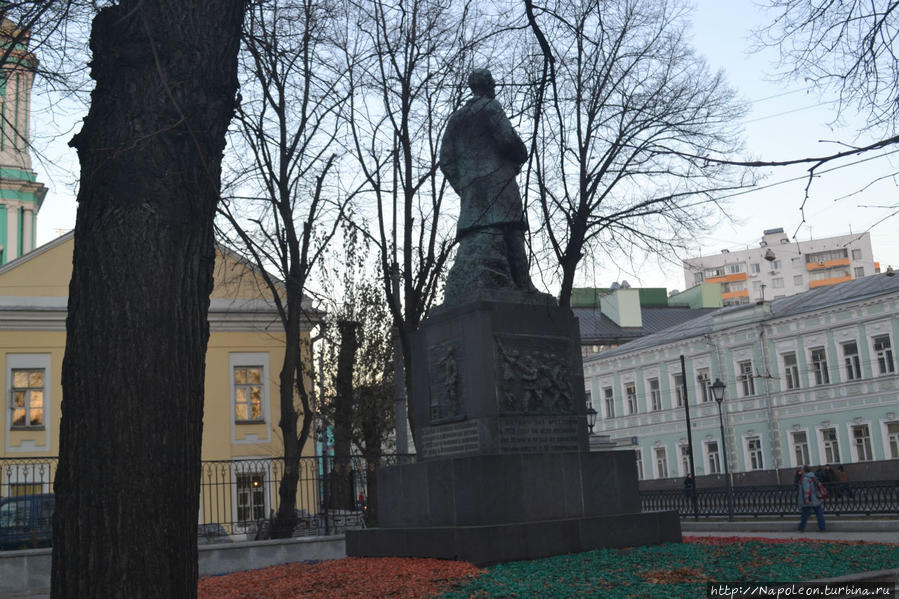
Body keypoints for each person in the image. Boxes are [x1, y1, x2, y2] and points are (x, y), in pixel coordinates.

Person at [439, 69, 540, 305]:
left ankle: (514, 284)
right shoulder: (491, 108)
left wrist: (464, 186)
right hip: (499, 182)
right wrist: (521, 152)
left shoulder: (456, 119)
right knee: (513, 229)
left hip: (473, 189)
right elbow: (507, 140)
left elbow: (446, 160)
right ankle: (524, 285)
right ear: (489, 86)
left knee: (478, 234)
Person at [797, 465, 826, 532]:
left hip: (809, 500)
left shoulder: (805, 479)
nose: (801, 471)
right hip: (816, 498)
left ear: (804, 470)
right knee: (819, 514)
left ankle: (801, 527)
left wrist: (806, 498)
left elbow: (806, 489)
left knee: (805, 514)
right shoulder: (813, 476)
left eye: (801, 470)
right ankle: (822, 528)